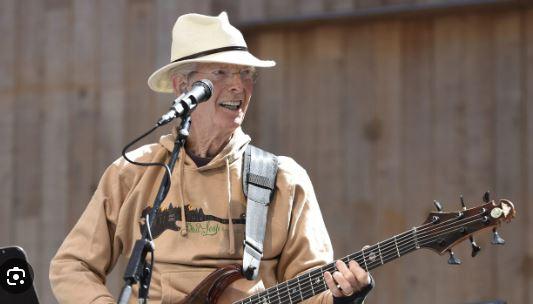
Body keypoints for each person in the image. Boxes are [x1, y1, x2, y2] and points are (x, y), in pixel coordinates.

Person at [49, 12, 373, 304]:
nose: (238, 86)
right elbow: (72, 266)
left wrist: (342, 299)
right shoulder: (131, 173)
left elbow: (314, 289)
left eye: (246, 73)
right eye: (220, 72)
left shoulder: (283, 179)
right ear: (182, 87)